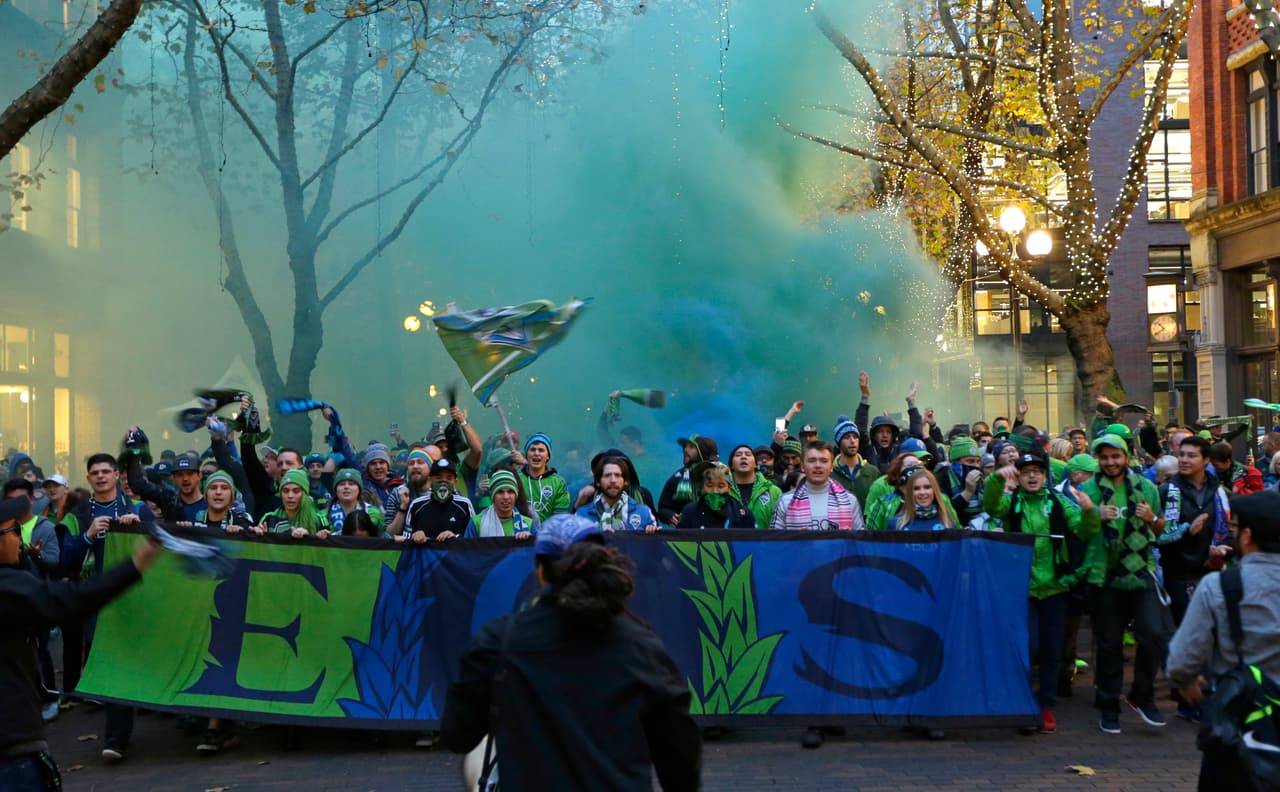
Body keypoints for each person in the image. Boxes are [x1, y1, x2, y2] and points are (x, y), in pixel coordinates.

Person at [441, 515, 701, 791]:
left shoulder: (498, 642)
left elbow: (458, 735)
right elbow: (680, 757)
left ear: (540, 571)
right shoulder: (642, 647)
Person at [0, 497, 164, 790]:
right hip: (13, 760)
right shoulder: (7, 588)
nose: (19, 539)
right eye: (13, 531)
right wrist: (134, 566)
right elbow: (71, 600)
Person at [1167, 489, 1280, 790]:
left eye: (1235, 529)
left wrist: (1186, 680)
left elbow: (1181, 660)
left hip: (1238, 725)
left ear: (1247, 536)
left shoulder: (1219, 587)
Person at [984, 449, 1098, 735]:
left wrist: (1089, 512)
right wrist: (997, 481)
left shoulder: (1059, 502)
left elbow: (1084, 532)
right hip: (1021, 588)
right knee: (1028, 646)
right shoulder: (1012, 503)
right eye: (1026, 471)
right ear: (1018, 477)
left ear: (1045, 476)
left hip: (1056, 588)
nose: (1032, 475)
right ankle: (1022, 701)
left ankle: (1045, 705)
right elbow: (991, 506)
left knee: (1051, 649)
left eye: (1037, 471)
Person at [1078, 434, 1171, 734]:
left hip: (1140, 569)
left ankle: (1141, 695)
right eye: (1104, 457)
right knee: (1109, 644)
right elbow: (1082, 534)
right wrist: (1093, 514)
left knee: (1153, 635)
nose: (1110, 462)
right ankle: (1108, 704)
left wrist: (1151, 516)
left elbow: (1160, 528)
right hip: (1104, 573)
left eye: (1115, 456)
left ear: (1127, 457)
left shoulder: (1147, 488)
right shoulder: (1088, 490)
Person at [1158, 436, 1232, 627]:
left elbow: (1229, 528)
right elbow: (1158, 534)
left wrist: (1224, 548)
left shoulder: (1219, 492)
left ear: (1206, 460)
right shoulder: (1168, 491)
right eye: (1181, 455)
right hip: (1178, 575)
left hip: (1211, 571)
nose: (1184, 460)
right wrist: (1187, 532)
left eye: (1191, 456)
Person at [771, 441, 864, 531]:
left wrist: (848, 538)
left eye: (824, 461)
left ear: (832, 466)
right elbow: (774, 542)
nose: (818, 465)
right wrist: (795, 541)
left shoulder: (850, 500)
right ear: (802, 466)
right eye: (812, 461)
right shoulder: (785, 501)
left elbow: (861, 541)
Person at [397, 458, 476, 543]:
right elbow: (405, 538)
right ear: (430, 480)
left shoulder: (465, 504)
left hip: (455, 556)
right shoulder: (416, 505)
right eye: (438, 477)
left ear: (455, 481)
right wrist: (414, 536)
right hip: (426, 556)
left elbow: (474, 539)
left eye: (449, 478)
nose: (443, 481)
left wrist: (455, 537)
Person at [577, 458, 660, 533]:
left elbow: (656, 546)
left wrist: (653, 531)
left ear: (625, 481)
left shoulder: (644, 513)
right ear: (598, 482)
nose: (613, 480)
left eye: (617, 475)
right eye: (607, 475)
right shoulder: (582, 516)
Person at [658, 436, 718, 526]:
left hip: (716, 533)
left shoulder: (720, 475)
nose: (686, 450)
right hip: (686, 534)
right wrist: (668, 515)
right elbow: (663, 508)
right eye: (685, 447)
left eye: (691, 447)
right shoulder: (677, 478)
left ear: (702, 451)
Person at [676, 462, 756, 530]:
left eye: (720, 486)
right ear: (702, 487)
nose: (714, 491)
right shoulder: (689, 512)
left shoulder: (743, 515)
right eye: (709, 485)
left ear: (729, 487)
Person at [258, 469, 330, 538]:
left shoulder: (320, 519)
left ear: (304, 494)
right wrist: (257, 535)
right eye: (285, 491)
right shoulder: (269, 518)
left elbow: (329, 547)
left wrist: (310, 538)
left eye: (296, 491)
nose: (290, 496)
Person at [517, 433, 571, 522]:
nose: (536, 453)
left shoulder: (558, 483)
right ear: (527, 455)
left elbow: (560, 518)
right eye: (532, 449)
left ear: (548, 456)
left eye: (541, 450)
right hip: (519, 534)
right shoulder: (516, 479)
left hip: (548, 534)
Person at [829, 416, 879, 510]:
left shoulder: (872, 472)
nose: (852, 441)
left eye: (855, 437)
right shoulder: (830, 473)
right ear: (839, 442)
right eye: (846, 437)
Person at [469, 470, 537, 539]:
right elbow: (466, 549)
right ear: (493, 495)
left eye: (510, 492)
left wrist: (529, 540)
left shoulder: (529, 525)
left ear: (515, 495)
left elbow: (541, 548)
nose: (506, 497)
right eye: (500, 492)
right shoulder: (476, 523)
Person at [727, 444, 781, 529]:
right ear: (731, 465)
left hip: (764, 541)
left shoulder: (774, 491)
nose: (743, 457)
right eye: (738, 455)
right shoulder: (722, 491)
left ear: (755, 464)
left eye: (748, 454)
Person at [889, 468, 956, 531]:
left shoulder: (948, 522)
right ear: (909, 493)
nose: (922, 492)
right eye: (916, 488)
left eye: (927, 487)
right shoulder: (897, 524)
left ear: (934, 490)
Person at [328, 468, 384, 535]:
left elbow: (382, 536)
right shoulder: (324, 515)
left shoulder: (373, 512)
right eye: (342, 484)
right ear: (336, 489)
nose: (346, 487)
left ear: (359, 489)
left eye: (351, 484)